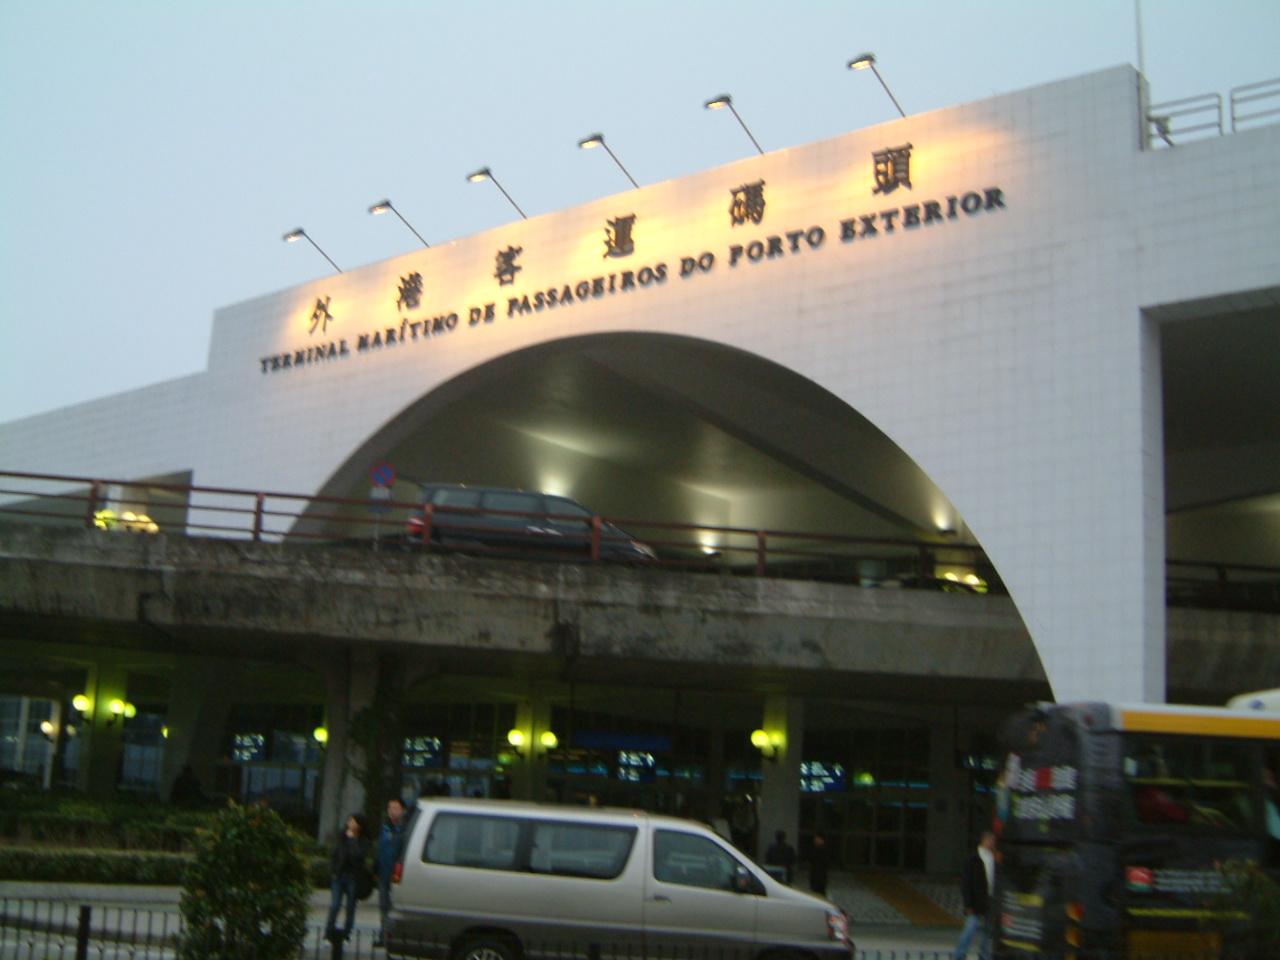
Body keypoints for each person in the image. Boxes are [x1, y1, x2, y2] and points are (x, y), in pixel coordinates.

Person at [326, 812, 370, 943]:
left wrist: (352, 840)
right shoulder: (342, 837)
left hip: (353, 877)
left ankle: (346, 934)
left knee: (350, 907)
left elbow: (357, 856)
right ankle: (328, 933)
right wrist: (333, 870)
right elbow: (335, 854)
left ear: (359, 825)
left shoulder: (363, 841)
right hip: (339, 875)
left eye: (352, 821)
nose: (349, 823)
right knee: (335, 905)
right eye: (349, 820)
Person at [954, 831, 996, 960]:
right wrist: (968, 904)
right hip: (976, 901)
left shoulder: (994, 858)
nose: (992, 843)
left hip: (991, 900)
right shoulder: (972, 859)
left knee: (988, 932)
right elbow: (966, 883)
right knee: (970, 929)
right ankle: (959, 955)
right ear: (984, 840)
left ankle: (984, 955)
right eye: (990, 840)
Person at [373, 798, 407, 948]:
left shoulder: (405, 829)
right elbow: (379, 850)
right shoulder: (385, 828)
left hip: (397, 874)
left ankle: (394, 936)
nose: (392, 811)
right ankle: (384, 935)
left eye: (396, 808)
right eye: (390, 808)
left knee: (395, 907)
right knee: (383, 906)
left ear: (402, 810)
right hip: (383, 873)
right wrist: (376, 869)